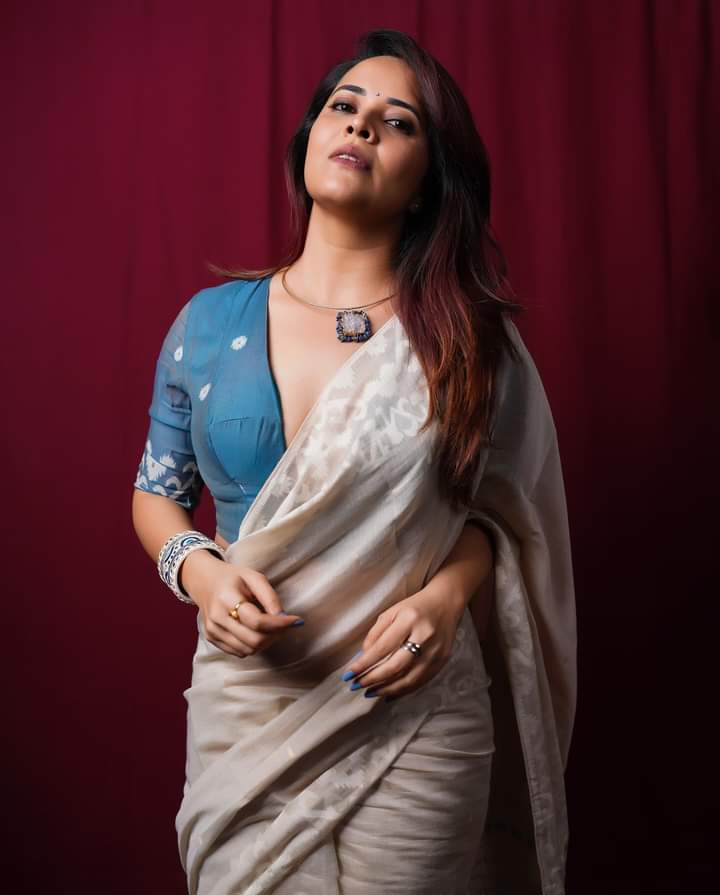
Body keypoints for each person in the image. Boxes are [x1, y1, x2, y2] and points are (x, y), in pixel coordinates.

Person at [131, 28, 576, 895]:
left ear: (428, 179)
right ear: (310, 140)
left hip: (409, 711)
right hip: (247, 707)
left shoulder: (468, 341)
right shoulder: (208, 324)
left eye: (398, 121)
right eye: (345, 106)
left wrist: (445, 598)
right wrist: (201, 574)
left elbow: (502, 519)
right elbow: (156, 495)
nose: (363, 125)